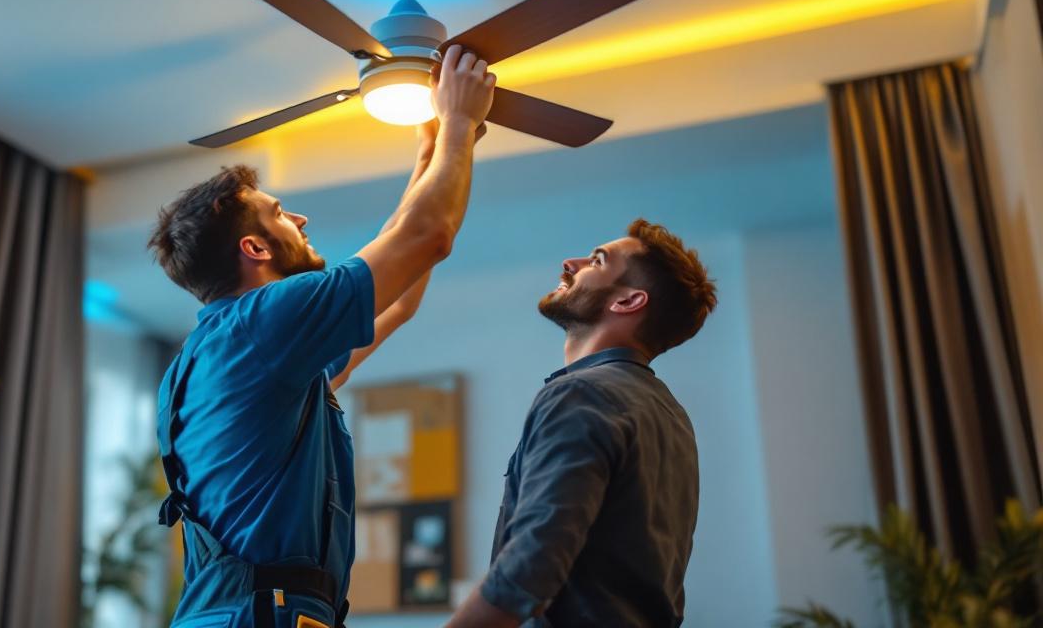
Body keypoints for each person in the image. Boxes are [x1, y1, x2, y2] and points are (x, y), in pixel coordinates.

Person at [147, 45, 495, 628]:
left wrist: (435, 148)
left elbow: (401, 295)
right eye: (280, 212)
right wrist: (458, 121)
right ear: (254, 249)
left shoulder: (237, 354)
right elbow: (426, 237)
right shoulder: (265, 323)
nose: (300, 221)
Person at [445, 220, 717, 628]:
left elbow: (530, 565)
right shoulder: (672, 416)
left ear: (627, 301)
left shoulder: (582, 393)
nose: (569, 264)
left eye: (595, 260)